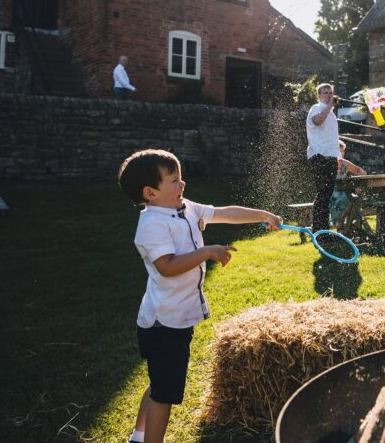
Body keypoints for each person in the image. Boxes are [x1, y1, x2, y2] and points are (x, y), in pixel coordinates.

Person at [117, 149, 280, 443]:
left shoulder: (185, 208)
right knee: (165, 393)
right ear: (150, 193)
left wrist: (263, 214)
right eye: (175, 181)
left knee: (160, 384)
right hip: (163, 323)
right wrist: (207, 251)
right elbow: (166, 267)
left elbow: (224, 213)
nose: (183, 185)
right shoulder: (152, 224)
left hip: (175, 319)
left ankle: (138, 437)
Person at [306, 83, 340, 233]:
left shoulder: (331, 114)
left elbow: (332, 139)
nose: (327, 95)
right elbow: (317, 121)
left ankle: (323, 231)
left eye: (330, 92)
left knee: (326, 195)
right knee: (322, 194)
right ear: (319, 95)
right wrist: (329, 106)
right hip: (319, 156)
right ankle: (319, 231)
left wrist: (338, 158)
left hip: (330, 157)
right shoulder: (316, 108)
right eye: (324, 92)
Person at [329, 140, 367, 226]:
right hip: (331, 192)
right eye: (340, 151)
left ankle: (345, 224)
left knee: (351, 198)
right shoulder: (329, 163)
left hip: (345, 192)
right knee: (341, 199)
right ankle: (340, 224)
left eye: (343, 151)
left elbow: (359, 170)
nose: (342, 154)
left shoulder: (344, 163)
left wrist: (362, 176)